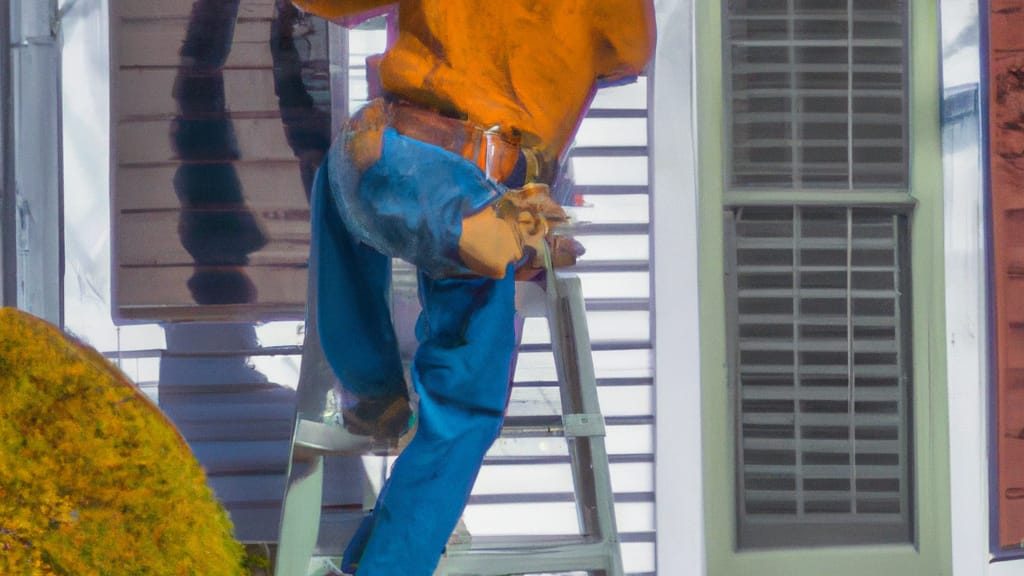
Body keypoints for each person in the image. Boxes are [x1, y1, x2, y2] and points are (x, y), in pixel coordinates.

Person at [291, 1, 655, 573]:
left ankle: (374, 393)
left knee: (344, 203)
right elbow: (627, 52)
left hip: (377, 148)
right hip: (472, 176)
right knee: (465, 401)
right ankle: (391, 560)